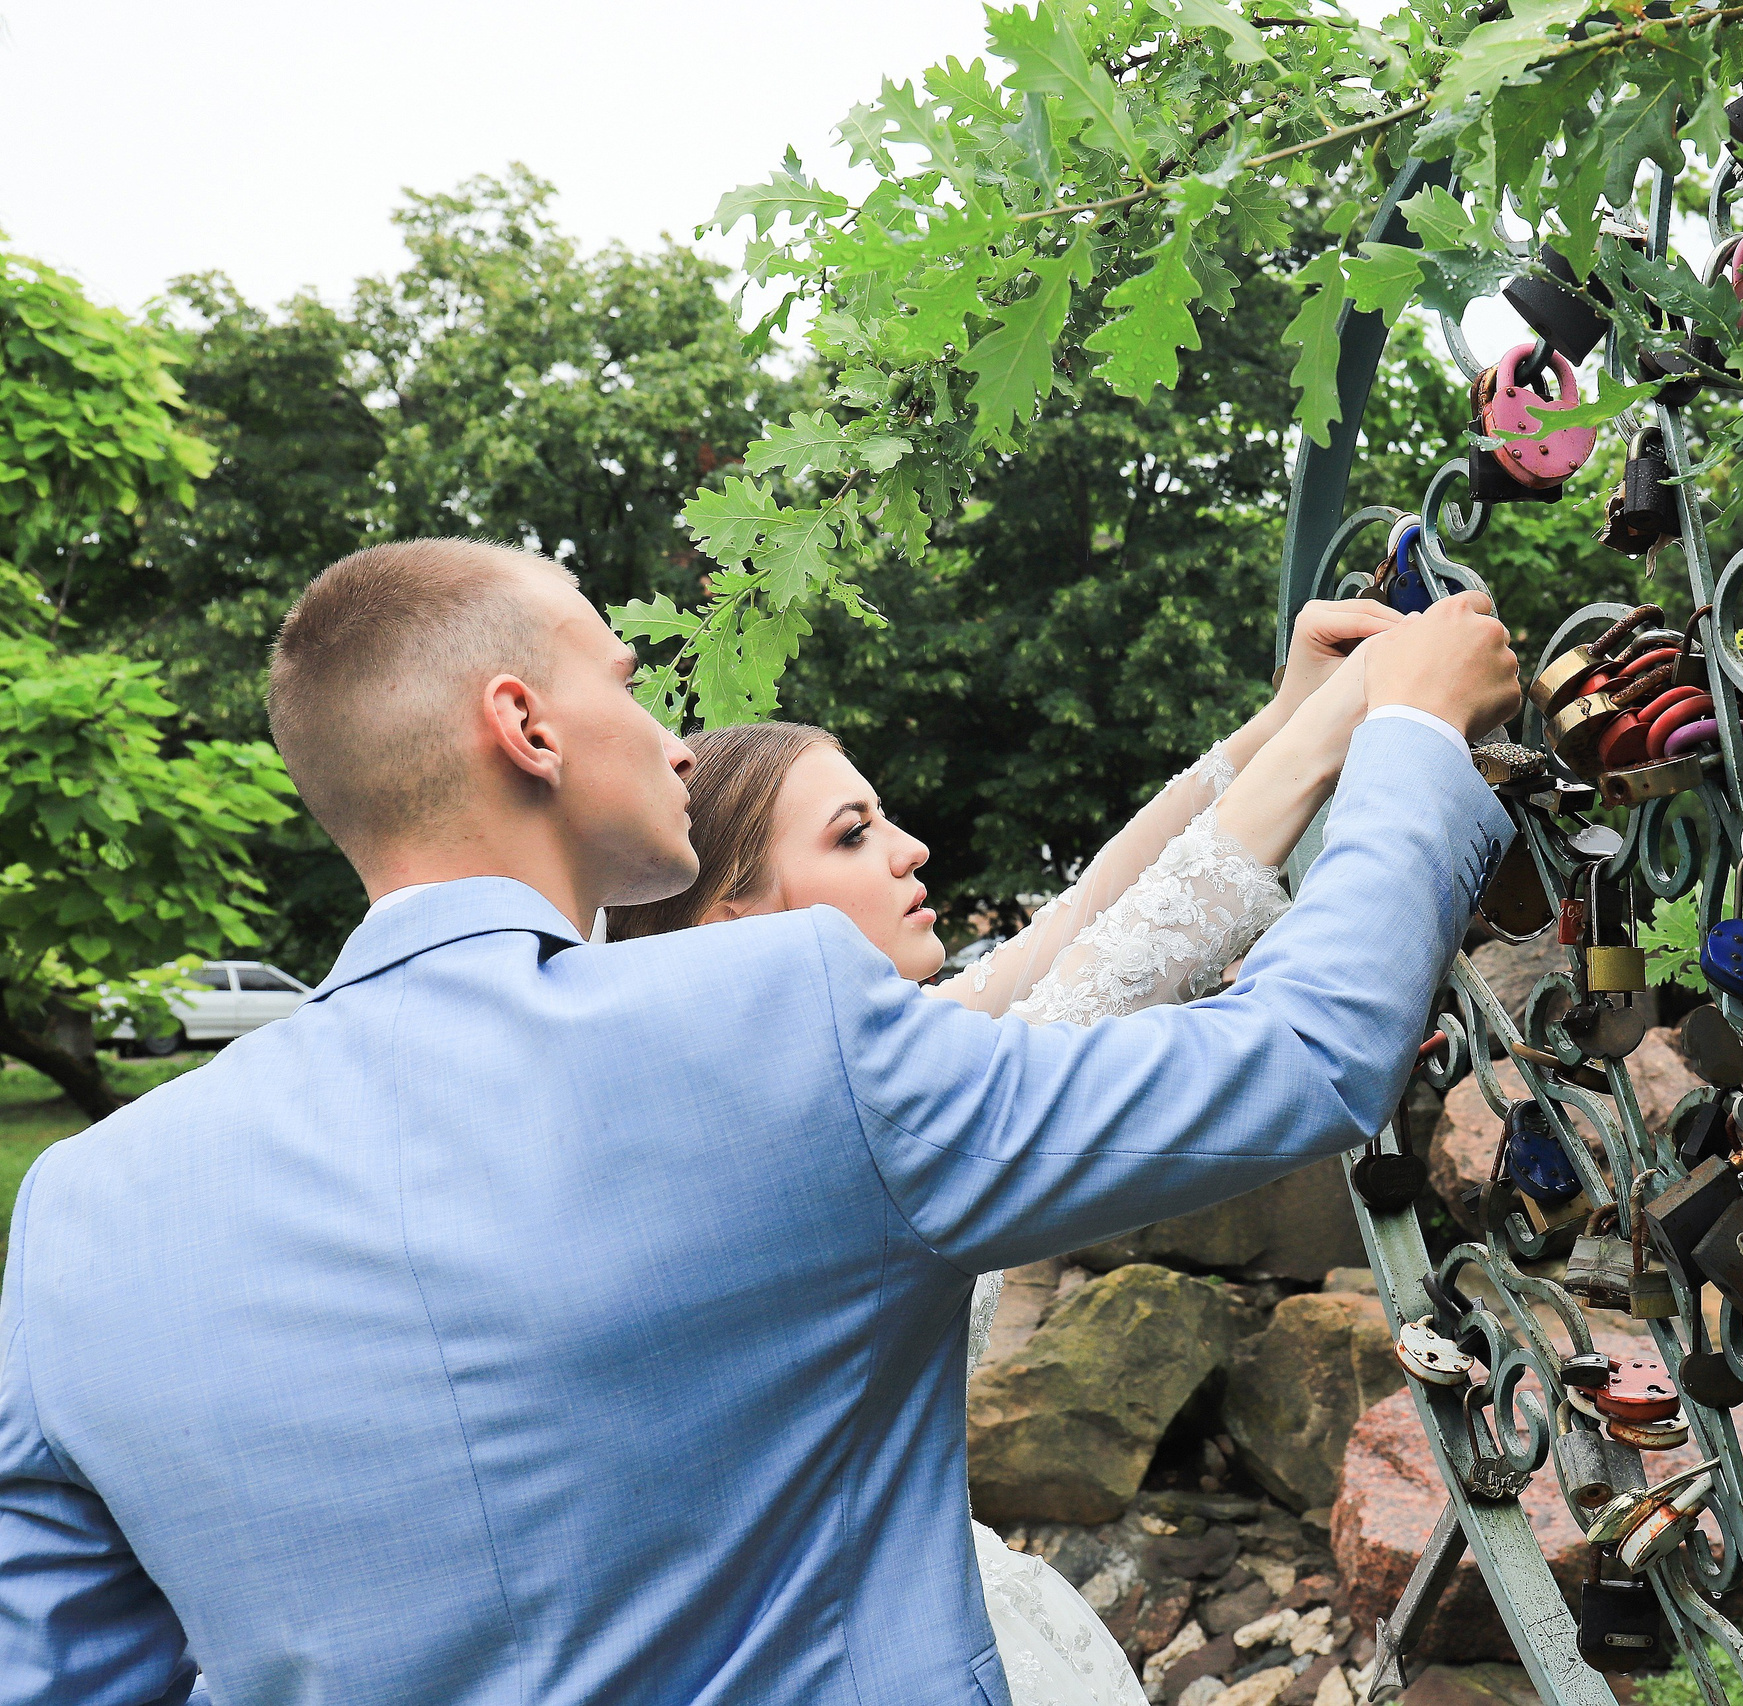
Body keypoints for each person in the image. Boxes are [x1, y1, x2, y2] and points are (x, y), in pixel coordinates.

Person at [0, 537, 1518, 1705]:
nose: (672, 734)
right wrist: (1410, 740)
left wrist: (1289, 732)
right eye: (626, 678)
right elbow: (1299, 1057)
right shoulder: (770, 1020)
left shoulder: (77, 1212)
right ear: (522, 721)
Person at [607, 642, 1374, 1706]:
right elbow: (1126, 963)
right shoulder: (819, 1118)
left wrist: (1277, 718)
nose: (911, 848)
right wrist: (1363, 716)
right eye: (852, 832)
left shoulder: (819, 1067)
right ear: (730, 918)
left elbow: (1078, 921)